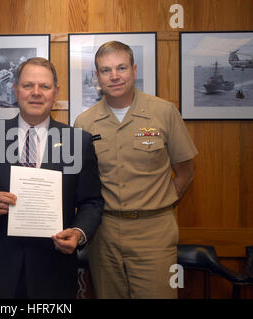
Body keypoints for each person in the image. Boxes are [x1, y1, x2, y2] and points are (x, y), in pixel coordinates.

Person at [0, 57, 103, 299]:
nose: (36, 93)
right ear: (16, 90)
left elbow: (92, 201)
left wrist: (78, 233)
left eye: (44, 87)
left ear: (55, 93)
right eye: (28, 86)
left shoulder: (79, 142)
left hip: (54, 269)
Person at [74, 41, 198, 299]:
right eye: (106, 70)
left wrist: (161, 205)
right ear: (97, 76)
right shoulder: (84, 122)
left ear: (134, 69)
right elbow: (81, 183)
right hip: (104, 234)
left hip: (154, 231)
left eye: (121, 67)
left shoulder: (164, 112)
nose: (115, 76)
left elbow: (185, 171)